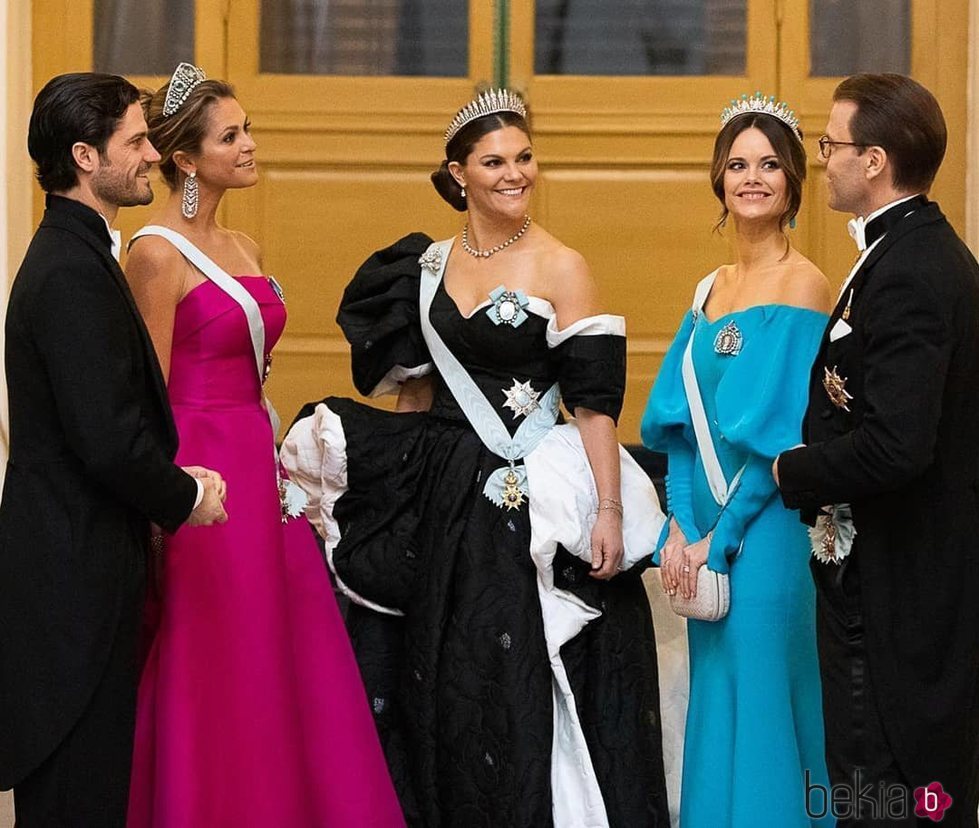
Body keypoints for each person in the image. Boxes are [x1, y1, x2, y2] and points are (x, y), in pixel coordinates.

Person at [280, 89, 670, 827]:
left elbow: (593, 403)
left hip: (539, 494)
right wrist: (400, 494)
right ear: (458, 173)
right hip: (449, 494)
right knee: (451, 671)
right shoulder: (419, 269)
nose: (513, 173)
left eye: (523, 157)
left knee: (527, 666)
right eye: (493, 161)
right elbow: (415, 398)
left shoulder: (562, 265)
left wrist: (610, 510)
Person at [123, 64, 404, 827]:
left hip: (257, 454)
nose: (249, 145)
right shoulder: (153, 253)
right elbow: (144, 392)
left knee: (276, 648)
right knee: (215, 644)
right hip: (199, 465)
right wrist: (161, 501)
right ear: (185, 158)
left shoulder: (242, 240)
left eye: (248, 130)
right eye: (231, 135)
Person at [0, 72, 227, 828]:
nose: (150, 157)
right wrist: (186, 496)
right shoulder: (68, 273)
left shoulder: (79, 255)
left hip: (84, 564)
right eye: (133, 142)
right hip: (72, 581)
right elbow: (104, 439)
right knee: (77, 796)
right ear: (83, 157)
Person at [774, 74, 979, 826]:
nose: (821, 158)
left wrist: (787, 470)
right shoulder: (905, 253)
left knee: (885, 793)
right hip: (891, 582)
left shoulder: (913, 271)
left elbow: (897, 446)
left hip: (898, 592)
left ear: (874, 161)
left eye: (831, 144)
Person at [641, 94, 834, 827]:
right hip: (701, 539)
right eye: (736, 164)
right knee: (714, 706)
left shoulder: (804, 286)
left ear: (790, 182)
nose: (750, 178)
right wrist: (676, 526)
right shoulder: (708, 291)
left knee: (761, 707)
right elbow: (682, 430)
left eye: (767, 165)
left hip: (767, 539)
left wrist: (715, 543)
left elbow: (778, 440)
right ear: (718, 178)